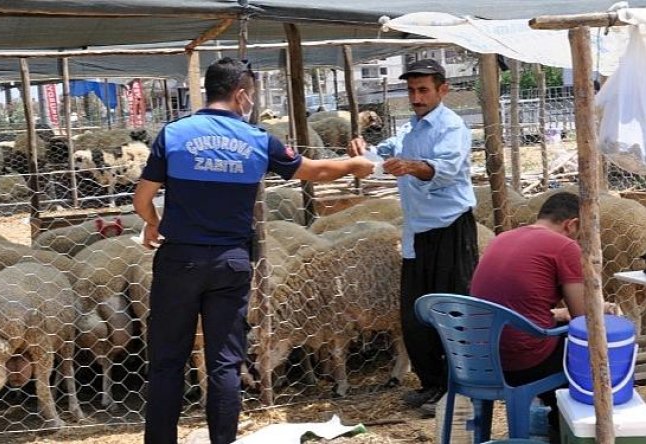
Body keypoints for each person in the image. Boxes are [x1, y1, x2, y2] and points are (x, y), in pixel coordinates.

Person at [133, 57, 374, 444]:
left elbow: (142, 197)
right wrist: (354, 165)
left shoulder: (174, 134)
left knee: (166, 363)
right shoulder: (259, 140)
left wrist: (152, 222)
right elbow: (313, 171)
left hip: (180, 260)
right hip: (231, 261)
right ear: (241, 94)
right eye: (251, 96)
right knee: (225, 364)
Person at [348, 58, 478, 415]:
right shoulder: (411, 130)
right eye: (411, 91)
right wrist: (364, 153)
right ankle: (431, 383)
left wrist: (412, 167)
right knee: (415, 314)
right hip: (418, 232)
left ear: (442, 89)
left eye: (423, 90)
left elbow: (447, 169)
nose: (416, 97)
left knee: (453, 309)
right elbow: (382, 154)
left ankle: (459, 387)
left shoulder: (451, 127)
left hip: (450, 228)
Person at [470, 191, 586, 441]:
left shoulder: (502, 238)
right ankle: (565, 427)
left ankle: (550, 421)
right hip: (522, 364)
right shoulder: (565, 246)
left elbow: (513, 302)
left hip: (476, 361)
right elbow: (584, 320)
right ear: (572, 224)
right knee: (589, 353)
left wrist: (556, 314)